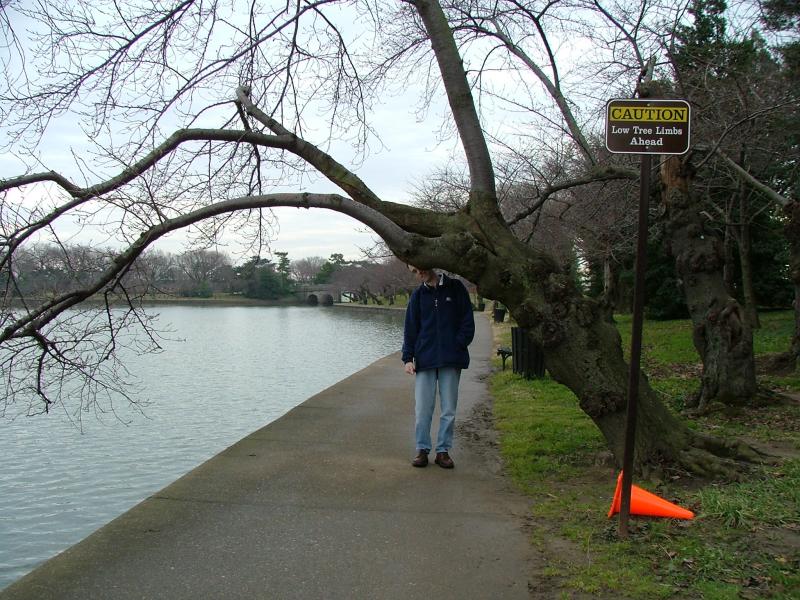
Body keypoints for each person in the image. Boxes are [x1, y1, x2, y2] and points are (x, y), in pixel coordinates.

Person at [402, 266, 475, 469]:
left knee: (448, 408)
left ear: (430, 264)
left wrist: (457, 343)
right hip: (424, 360)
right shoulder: (417, 296)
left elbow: (467, 321)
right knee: (423, 409)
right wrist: (408, 358)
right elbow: (410, 329)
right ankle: (422, 449)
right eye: (414, 271)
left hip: (451, 359)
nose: (419, 273)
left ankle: (443, 451)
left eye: (420, 268)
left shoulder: (456, 288)